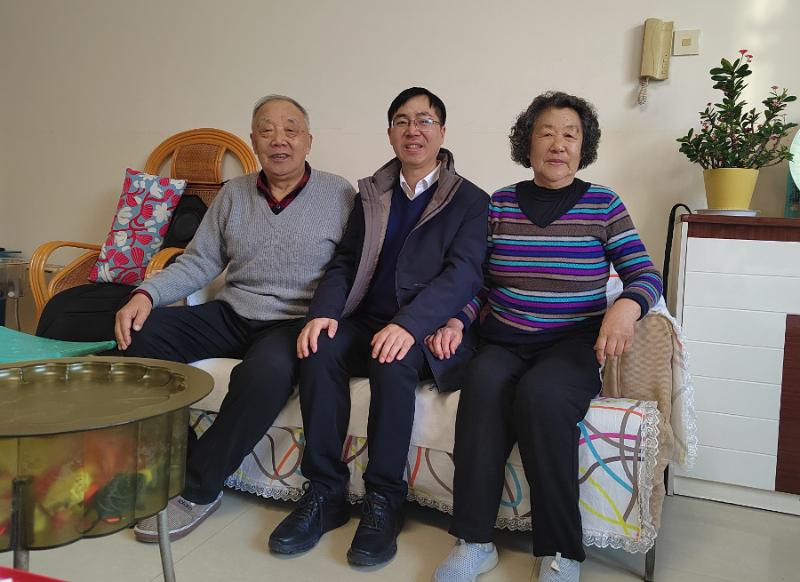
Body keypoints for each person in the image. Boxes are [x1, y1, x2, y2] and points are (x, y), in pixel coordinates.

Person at [430, 92, 663, 582]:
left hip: (572, 346)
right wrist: (457, 320)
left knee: (543, 395)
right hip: (503, 341)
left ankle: (559, 550)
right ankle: (474, 541)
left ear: (583, 146)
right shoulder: (499, 204)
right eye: (547, 133)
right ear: (528, 143)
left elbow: (645, 274)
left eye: (570, 134)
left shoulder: (603, 203)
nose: (558, 144)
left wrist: (625, 307)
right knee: (483, 386)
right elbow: (480, 283)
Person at [115, 94, 356, 542]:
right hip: (233, 311)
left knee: (265, 375)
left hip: (293, 322)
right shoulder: (233, 194)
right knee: (140, 334)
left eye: (290, 130)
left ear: (309, 141)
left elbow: (351, 267)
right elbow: (200, 261)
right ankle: (171, 464)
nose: (279, 140)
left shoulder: (339, 194)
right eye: (267, 130)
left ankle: (198, 488)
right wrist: (147, 293)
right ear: (253, 140)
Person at [268, 87, 488, 567]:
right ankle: (324, 492)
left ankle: (384, 499)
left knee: (392, 361)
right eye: (402, 121)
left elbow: (463, 275)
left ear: (442, 132)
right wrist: (324, 312)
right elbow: (345, 261)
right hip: (366, 319)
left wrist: (409, 324)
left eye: (424, 120)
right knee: (319, 347)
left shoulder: (471, 200)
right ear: (390, 133)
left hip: (424, 327)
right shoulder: (372, 193)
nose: (413, 130)